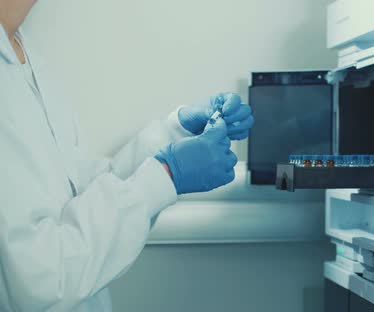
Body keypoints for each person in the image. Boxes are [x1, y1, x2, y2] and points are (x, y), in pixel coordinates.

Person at [0, 0, 254, 311]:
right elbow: (42, 281)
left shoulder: (25, 56)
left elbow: (81, 197)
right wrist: (167, 173)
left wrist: (174, 133)